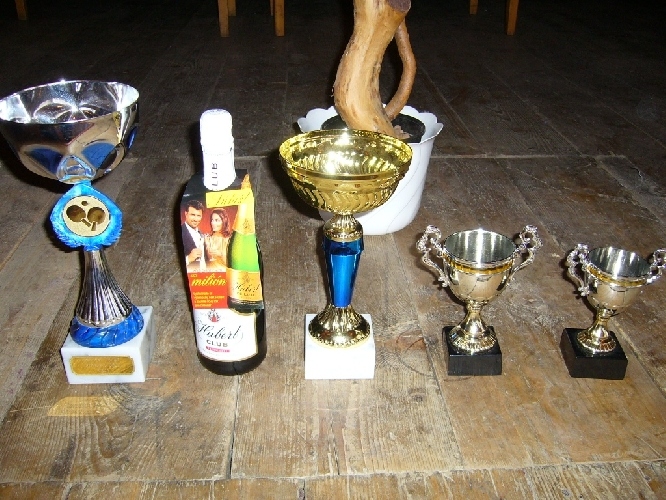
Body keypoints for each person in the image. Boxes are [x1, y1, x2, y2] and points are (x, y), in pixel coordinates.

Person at [181, 199, 205, 272]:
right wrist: (188, 258)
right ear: (186, 214)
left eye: (198, 216)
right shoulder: (180, 232)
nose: (196, 219)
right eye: (193, 215)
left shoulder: (201, 234)